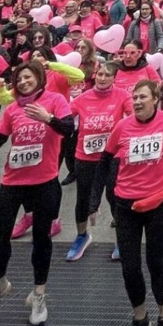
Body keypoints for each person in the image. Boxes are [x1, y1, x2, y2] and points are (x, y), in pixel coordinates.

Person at [0, 62, 74, 326]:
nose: (23, 82)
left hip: (44, 181)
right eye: (18, 79)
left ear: (39, 78)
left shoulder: (55, 100)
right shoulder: (13, 109)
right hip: (13, 181)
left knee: (41, 239)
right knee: (0, 235)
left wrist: (47, 118)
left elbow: (68, 129)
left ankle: (39, 294)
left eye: (28, 77)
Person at [103, 80, 163, 326]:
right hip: (126, 204)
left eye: (142, 97)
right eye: (134, 97)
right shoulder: (122, 127)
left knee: (155, 261)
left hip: (158, 201)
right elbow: (105, 161)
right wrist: (97, 201)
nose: (137, 102)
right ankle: (140, 319)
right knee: (129, 266)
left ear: (155, 99)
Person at [68, 61, 131, 261]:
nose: (102, 78)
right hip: (85, 156)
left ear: (114, 78)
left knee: (115, 197)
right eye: (100, 74)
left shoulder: (122, 95)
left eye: (107, 75)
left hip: (112, 157)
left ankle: (121, 239)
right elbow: (64, 117)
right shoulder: (82, 98)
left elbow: (134, 117)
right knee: (83, 198)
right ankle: (82, 236)